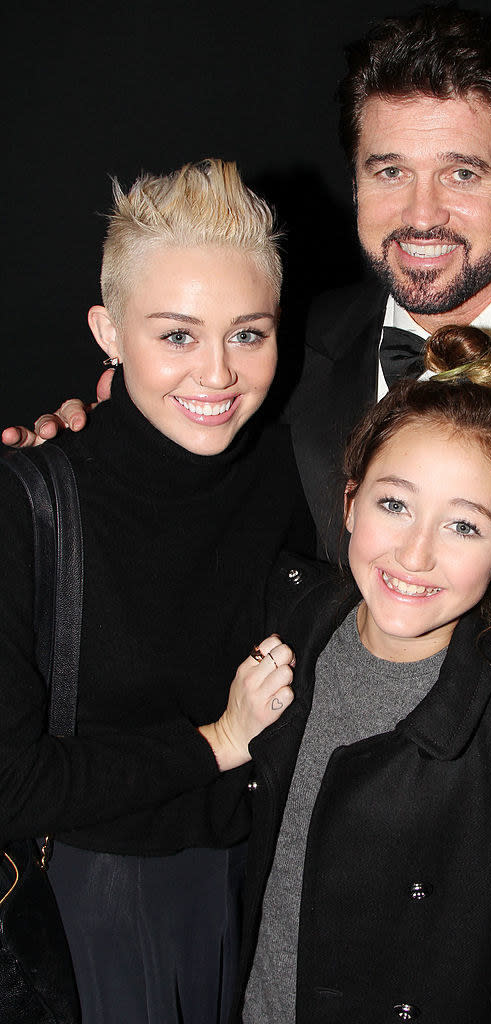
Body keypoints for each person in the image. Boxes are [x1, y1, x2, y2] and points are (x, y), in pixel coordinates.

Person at [5, 3, 491, 998]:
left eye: (464, 171)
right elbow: (168, 441)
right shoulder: (289, 350)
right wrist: (71, 433)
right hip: (306, 867)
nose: (421, 212)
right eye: (389, 169)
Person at [0, 158, 314, 1023]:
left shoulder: (298, 473)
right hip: (96, 905)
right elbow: (8, 783)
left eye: (247, 333)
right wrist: (215, 741)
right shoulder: (27, 500)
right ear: (107, 332)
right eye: (176, 335)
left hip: (266, 882)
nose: (216, 374)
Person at [235, 324, 491, 1023]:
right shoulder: (289, 628)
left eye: (462, 526)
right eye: (393, 504)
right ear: (349, 504)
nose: (414, 553)